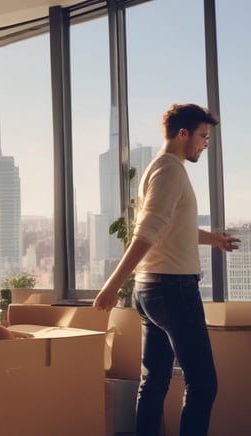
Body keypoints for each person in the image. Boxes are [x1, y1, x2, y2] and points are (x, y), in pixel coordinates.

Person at [93, 103, 240, 436]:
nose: (205, 144)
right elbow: (146, 233)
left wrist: (213, 239)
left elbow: (170, 226)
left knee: (155, 380)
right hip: (172, 290)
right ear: (183, 134)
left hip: (152, 289)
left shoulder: (158, 169)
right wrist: (112, 284)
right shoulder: (170, 170)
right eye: (203, 136)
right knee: (203, 383)